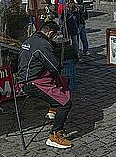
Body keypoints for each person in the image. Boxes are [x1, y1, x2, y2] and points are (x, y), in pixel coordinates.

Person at [17, 20, 73, 149]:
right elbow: (54, 66)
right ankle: (54, 135)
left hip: (25, 77)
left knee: (62, 81)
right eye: (53, 36)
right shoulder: (43, 44)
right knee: (65, 103)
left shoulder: (30, 39)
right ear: (51, 33)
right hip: (32, 82)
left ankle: (53, 110)